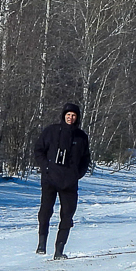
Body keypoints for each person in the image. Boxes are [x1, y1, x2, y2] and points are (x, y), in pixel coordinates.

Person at [34, 101, 91, 259]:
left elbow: (86, 159)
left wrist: (77, 174)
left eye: (73, 115)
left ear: (77, 118)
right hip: (50, 178)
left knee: (67, 215)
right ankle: (41, 243)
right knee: (45, 211)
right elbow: (38, 150)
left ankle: (59, 250)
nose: (70, 118)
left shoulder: (81, 137)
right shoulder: (51, 131)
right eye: (68, 115)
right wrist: (45, 167)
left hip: (69, 181)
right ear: (63, 116)